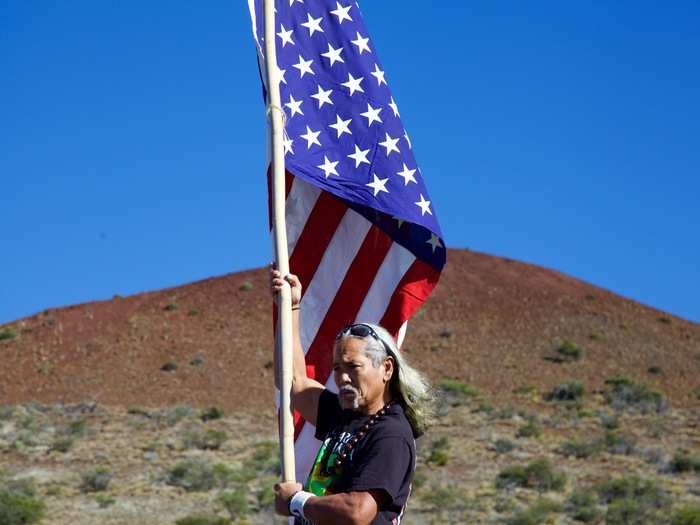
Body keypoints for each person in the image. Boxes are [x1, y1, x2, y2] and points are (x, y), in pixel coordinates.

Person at [270, 268, 434, 525]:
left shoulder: (390, 433)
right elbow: (292, 381)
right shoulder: (344, 414)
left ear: (386, 368)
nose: (342, 378)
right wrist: (290, 308)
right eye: (337, 369)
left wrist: (296, 501)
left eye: (353, 367)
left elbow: (357, 511)